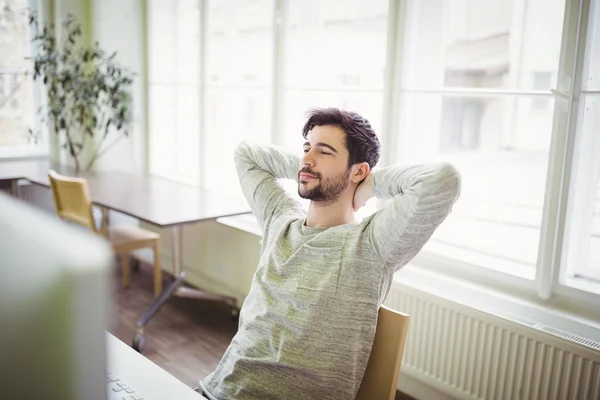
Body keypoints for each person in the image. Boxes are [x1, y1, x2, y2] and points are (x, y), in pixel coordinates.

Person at [197, 108, 461, 400]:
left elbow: (442, 179)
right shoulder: (279, 219)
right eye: (306, 148)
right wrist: (311, 167)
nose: (307, 159)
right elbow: (246, 153)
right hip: (215, 389)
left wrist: (367, 185)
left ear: (359, 170)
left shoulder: (371, 244)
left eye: (324, 152)